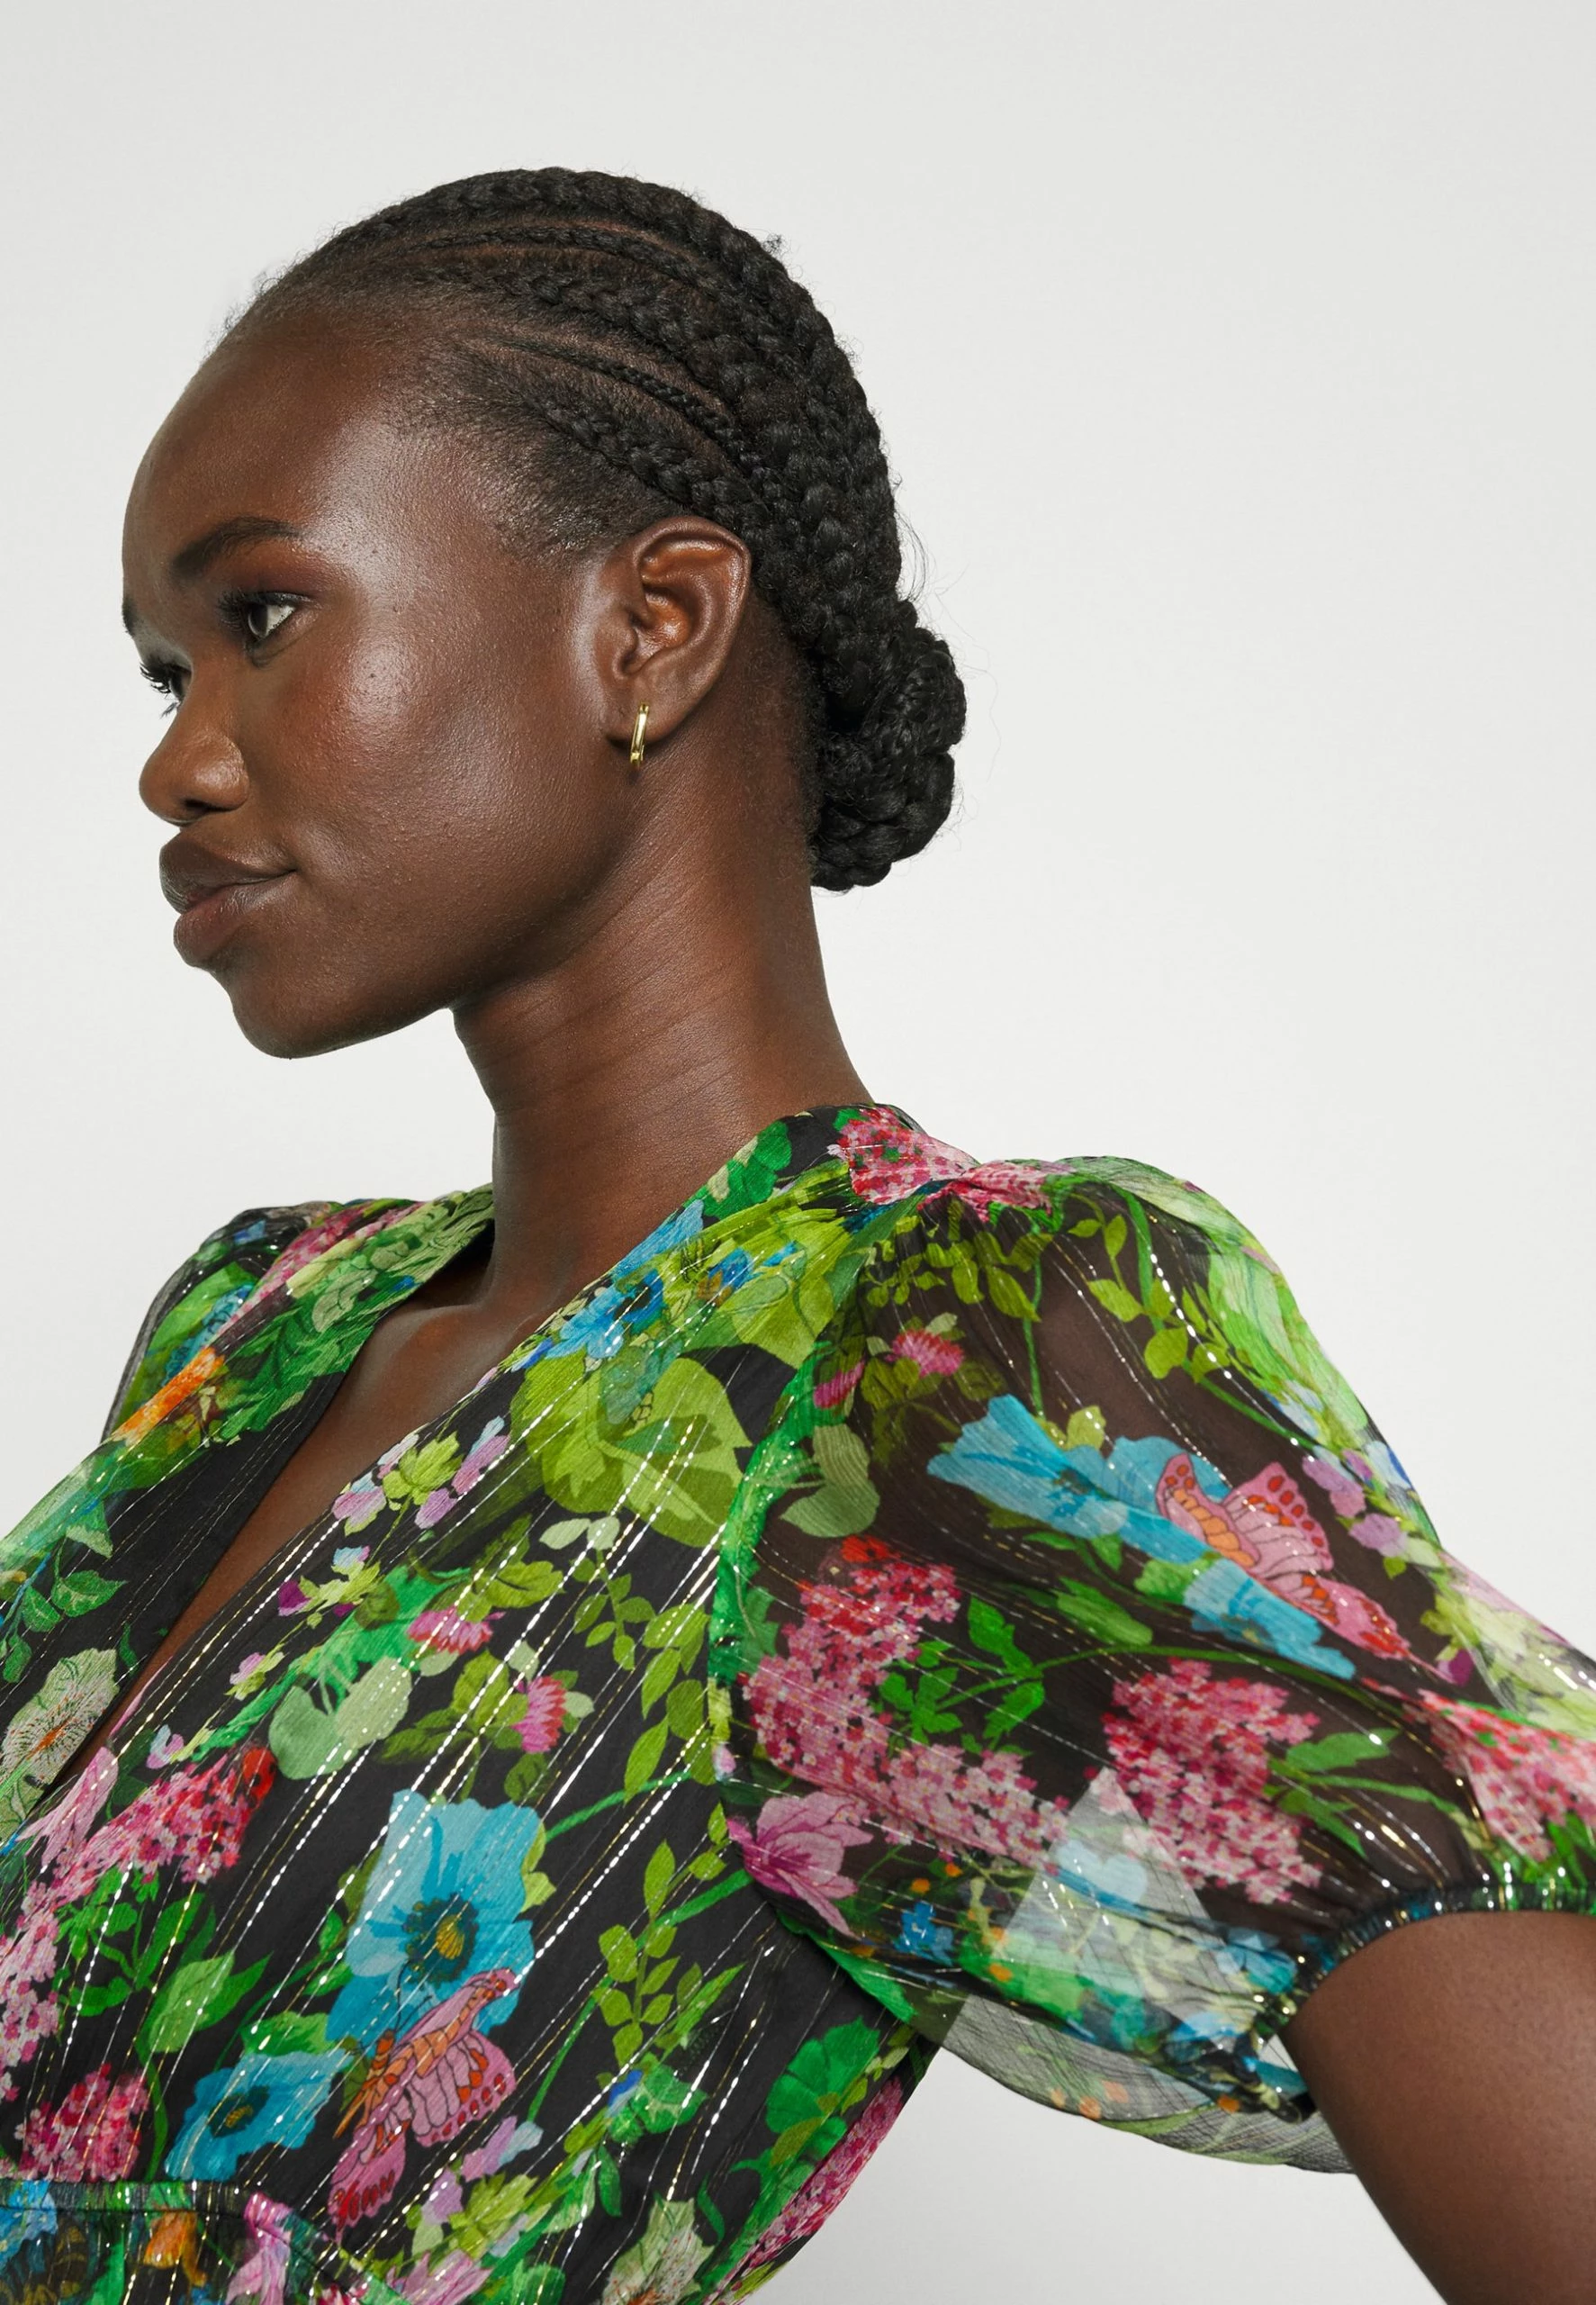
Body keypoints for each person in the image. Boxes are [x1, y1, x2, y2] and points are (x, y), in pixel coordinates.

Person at [2, 166, 1592, 2305]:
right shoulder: (259, 1323)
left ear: (650, 627)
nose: (179, 762)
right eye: (161, 668)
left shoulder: (927, 1345)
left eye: (265, 618)